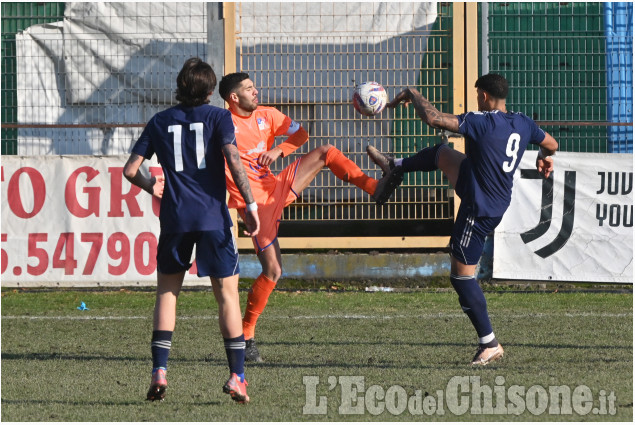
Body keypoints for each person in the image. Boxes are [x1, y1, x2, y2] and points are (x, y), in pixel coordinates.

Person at [369, 73, 558, 365]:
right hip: (486, 188)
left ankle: (489, 343)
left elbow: (433, 118)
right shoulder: (523, 122)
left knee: (460, 276)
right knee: (443, 154)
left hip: (479, 206)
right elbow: (552, 144)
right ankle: (395, 166)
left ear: (483, 95)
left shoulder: (481, 122)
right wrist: (544, 157)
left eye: (476, 95)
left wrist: (412, 92)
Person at [218, 72, 400, 362]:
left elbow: (302, 134)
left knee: (325, 152)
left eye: (254, 85)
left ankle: (375, 188)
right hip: (255, 204)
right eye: (249, 88)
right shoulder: (222, 124)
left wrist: (279, 149)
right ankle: (247, 336)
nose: (256, 91)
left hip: (276, 185)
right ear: (234, 98)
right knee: (273, 271)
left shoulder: (268, 115)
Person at [123, 58, 260, 403]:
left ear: (180, 87)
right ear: (212, 90)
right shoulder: (218, 116)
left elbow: (130, 170)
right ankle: (237, 377)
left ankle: (160, 371)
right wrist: (250, 204)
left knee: (167, 294)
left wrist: (149, 183)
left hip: (176, 219)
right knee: (227, 297)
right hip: (213, 218)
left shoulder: (160, 121)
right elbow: (232, 158)